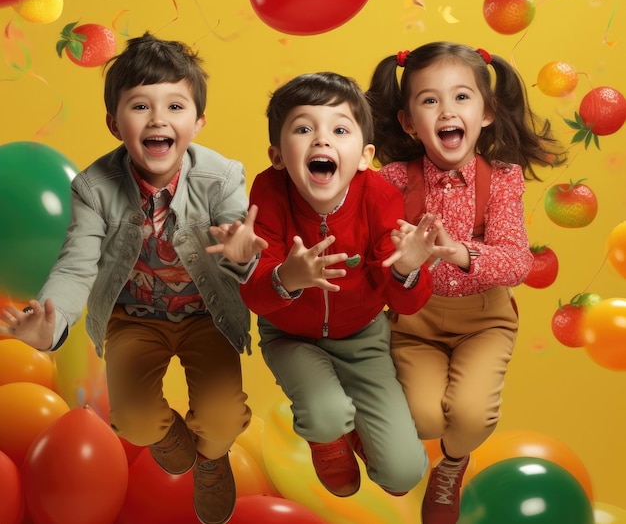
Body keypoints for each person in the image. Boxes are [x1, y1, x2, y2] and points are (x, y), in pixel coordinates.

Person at [0, 33, 267, 524]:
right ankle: (174, 439)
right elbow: (77, 264)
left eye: (175, 106)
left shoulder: (222, 175)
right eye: (140, 106)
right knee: (134, 424)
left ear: (198, 122)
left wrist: (241, 254)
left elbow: (240, 247)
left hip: (204, 315)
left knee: (222, 420)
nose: (158, 119)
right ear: (114, 123)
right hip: (133, 317)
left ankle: (212, 459)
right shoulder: (94, 187)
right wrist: (51, 325)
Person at [366, 41, 567, 524]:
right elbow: (373, 254)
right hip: (415, 321)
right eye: (429, 100)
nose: (447, 111)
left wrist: (457, 251)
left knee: (471, 418)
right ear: (409, 121)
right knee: (425, 419)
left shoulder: (501, 179)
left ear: (488, 112)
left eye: (461, 97)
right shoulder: (392, 178)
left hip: (485, 321)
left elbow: (516, 262)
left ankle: (452, 464)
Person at [240, 71, 456, 499]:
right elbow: (254, 292)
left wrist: (406, 269)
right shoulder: (268, 191)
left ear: (363, 156)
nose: (322, 141)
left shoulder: (378, 196)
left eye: (339, 129)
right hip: (290, 336)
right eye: (304, 129)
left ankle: (359, 433)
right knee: (326, 413)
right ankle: (329, 437)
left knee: (403, 474)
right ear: (278, 155)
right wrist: (287, 277)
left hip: (363, 338)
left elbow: (405, 302)